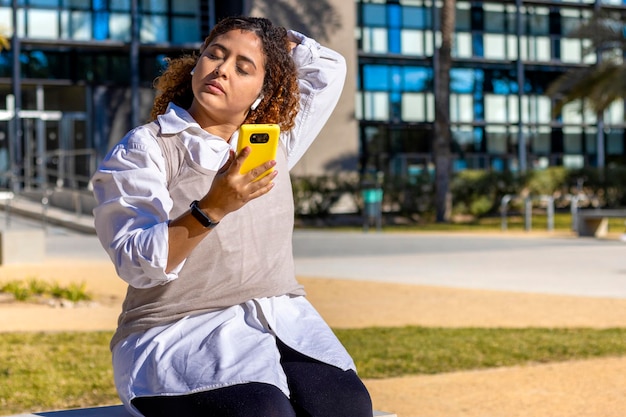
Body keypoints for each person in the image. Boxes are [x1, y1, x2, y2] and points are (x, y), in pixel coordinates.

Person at [91, 16, 373, 417]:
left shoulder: (274, 143)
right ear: (197, 63)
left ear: (264, 91)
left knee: (345, 407)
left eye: (244, 67)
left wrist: (276, 40)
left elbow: (328, 67)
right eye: (214, 55)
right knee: (263, 413)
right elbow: (136, 262)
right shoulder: (148, 148)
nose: (222, 69)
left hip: (276, 317)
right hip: (175, 328)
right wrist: (212, 208)